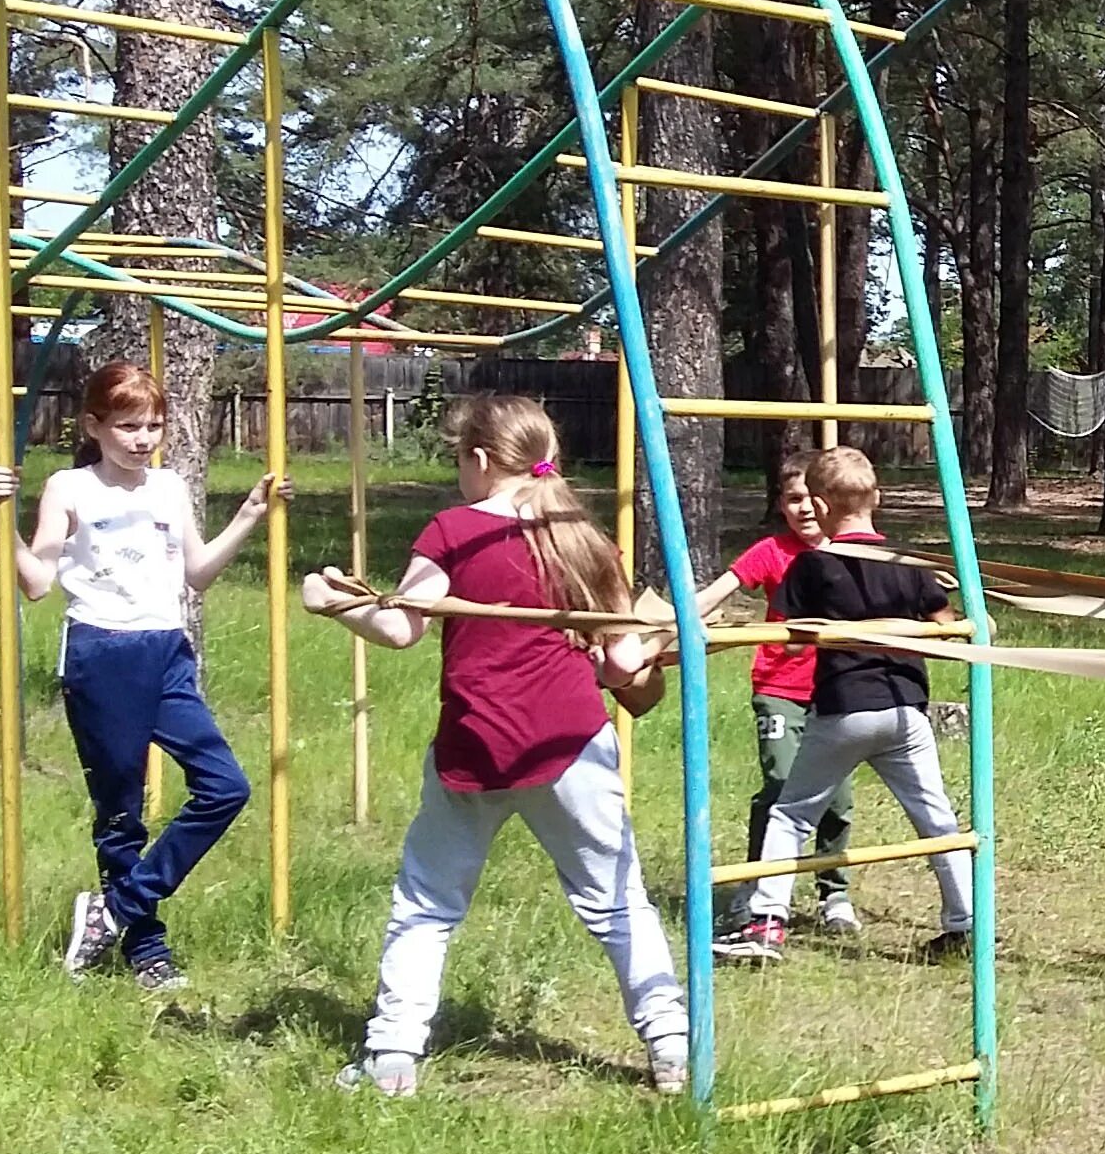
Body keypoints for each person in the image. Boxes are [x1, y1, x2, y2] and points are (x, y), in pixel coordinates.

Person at [302, 394, 686, 1098]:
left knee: (427, 903)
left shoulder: (453, 530)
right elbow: (625, 665)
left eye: (458, 460)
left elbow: (399, 629)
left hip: (476, 744)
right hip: (571, 743)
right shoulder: (586, 536)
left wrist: (334, 604)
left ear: (478, 459)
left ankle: (391, 1058)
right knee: (619, 900)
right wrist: (644, 652)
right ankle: (673, 1044)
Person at [0, 362, 280, 991]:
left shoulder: (168, 488)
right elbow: (36, 584)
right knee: (121, 815)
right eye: (128, 427)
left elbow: (196, 573)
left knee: (225, 787)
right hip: (101, 655)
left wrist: (250, 514)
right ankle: (146, 949)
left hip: (166, 650)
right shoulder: (70, 487)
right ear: (94, 425)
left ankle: (114, 910)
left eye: (153, 426)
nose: (143, 438)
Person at [712, 446, 976, 964]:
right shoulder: (910, 563)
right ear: (876, 497)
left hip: (845, 710)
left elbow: (790, 642)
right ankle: (965, 924)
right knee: (937, 819)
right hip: (907, 710)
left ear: (823, 505)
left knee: (789, 815)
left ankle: (766, 925)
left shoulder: (813, 566)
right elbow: (947, 626)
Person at [695, 454, 859, 934]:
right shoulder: (771, 551)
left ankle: (834, 893)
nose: (804, 508)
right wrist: (678, 616)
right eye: (792, 499)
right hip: (780, 688)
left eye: (812, 498)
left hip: (838, 689)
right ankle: (756, 883)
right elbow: (718, 591)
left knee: (837, 795)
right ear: (781, 506)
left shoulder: (853, 551)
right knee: (783, 783)